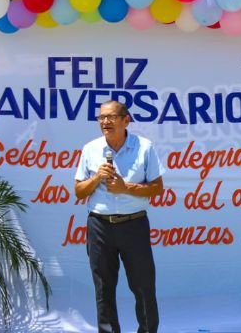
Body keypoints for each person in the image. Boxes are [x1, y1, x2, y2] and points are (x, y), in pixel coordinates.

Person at [74, 100, 165, 333]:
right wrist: (96, 178)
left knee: (143, 286)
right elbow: (78, 191)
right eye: (101, 118)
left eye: (111, 117)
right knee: (103, 289)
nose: (105, 122)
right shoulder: (90, 149)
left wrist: (126, 188)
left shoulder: (144, 147)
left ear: (126, 120)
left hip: (133, 224)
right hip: (100, 226)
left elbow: (157, 188)